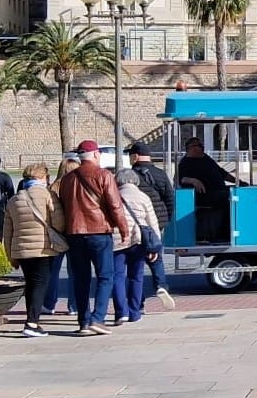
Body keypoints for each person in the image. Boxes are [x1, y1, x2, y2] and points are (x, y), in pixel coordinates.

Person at [56, 141, 131, 336]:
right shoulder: (104, 175)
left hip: (74, 233)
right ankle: (98, 318)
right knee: (106, 276)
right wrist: (124, 229)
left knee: (81, 279)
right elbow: (115, 205)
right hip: (98, 231)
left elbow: (63, 206)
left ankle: (83, 321)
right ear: (96, 155)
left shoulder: (67, 179)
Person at [1, 163, 66, 338]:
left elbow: (7, 232)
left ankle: (32, 320)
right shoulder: (47, 195)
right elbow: (59, 223)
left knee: (31, 284)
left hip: (21, 250)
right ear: (43, 177)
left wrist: (10, 255)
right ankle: (31, 323)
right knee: (39, 284)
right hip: (42, 249)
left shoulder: (14, 199)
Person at [126, 144, 176, 310]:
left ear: (135, 156)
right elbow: (170, 198)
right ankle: (161, 285)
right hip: (155, 224)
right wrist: (164, 220)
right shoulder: (160, 174)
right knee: (156, 258)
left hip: (134, 224)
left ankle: (138, 303)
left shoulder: (129, 176)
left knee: (135, 265)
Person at [112, 166, 161, 325]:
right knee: (136, 277)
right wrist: (155, 247)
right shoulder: (143, 197)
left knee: (117, 277)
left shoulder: (113, 196)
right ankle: (134, 312)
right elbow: (152, 222)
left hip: (117, 240)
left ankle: (121, 312)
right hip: (138, 241)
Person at [175, 136, 237, 244]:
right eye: (199, 146)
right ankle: (223, 233)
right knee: (228, 198)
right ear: (191, 148)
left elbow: (223, 173)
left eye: (201, 145)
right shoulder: (185, 163)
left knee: (236, 193)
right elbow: (180, 179)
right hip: (203, 195)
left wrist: (238, 181)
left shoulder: (206, 159)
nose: (201, 147)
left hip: (218, 190)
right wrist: (193, 180)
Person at [43, 158, 81, 319]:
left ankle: (49, 303)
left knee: (52, 271)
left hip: (55, 234)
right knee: (75, 271)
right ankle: (73, 305)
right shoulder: (77, 188)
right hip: (74, 233)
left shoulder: (51, 189)